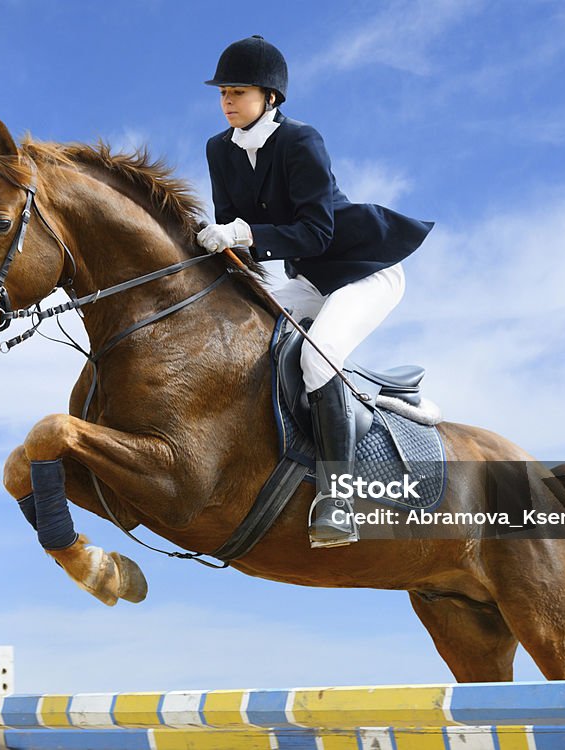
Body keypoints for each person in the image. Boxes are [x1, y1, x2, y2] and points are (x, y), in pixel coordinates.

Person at [197, 35, 433, 548]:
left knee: (317, 362)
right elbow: (229, 231)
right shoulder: (219, 149)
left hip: (364, 268)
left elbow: (316, 234)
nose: (227, 101)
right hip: (310, 277)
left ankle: (337, 498)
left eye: (238, 91)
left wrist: (244, 233)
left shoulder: (301, 141)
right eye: (223, 93)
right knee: (259, 344)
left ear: (270, 97)